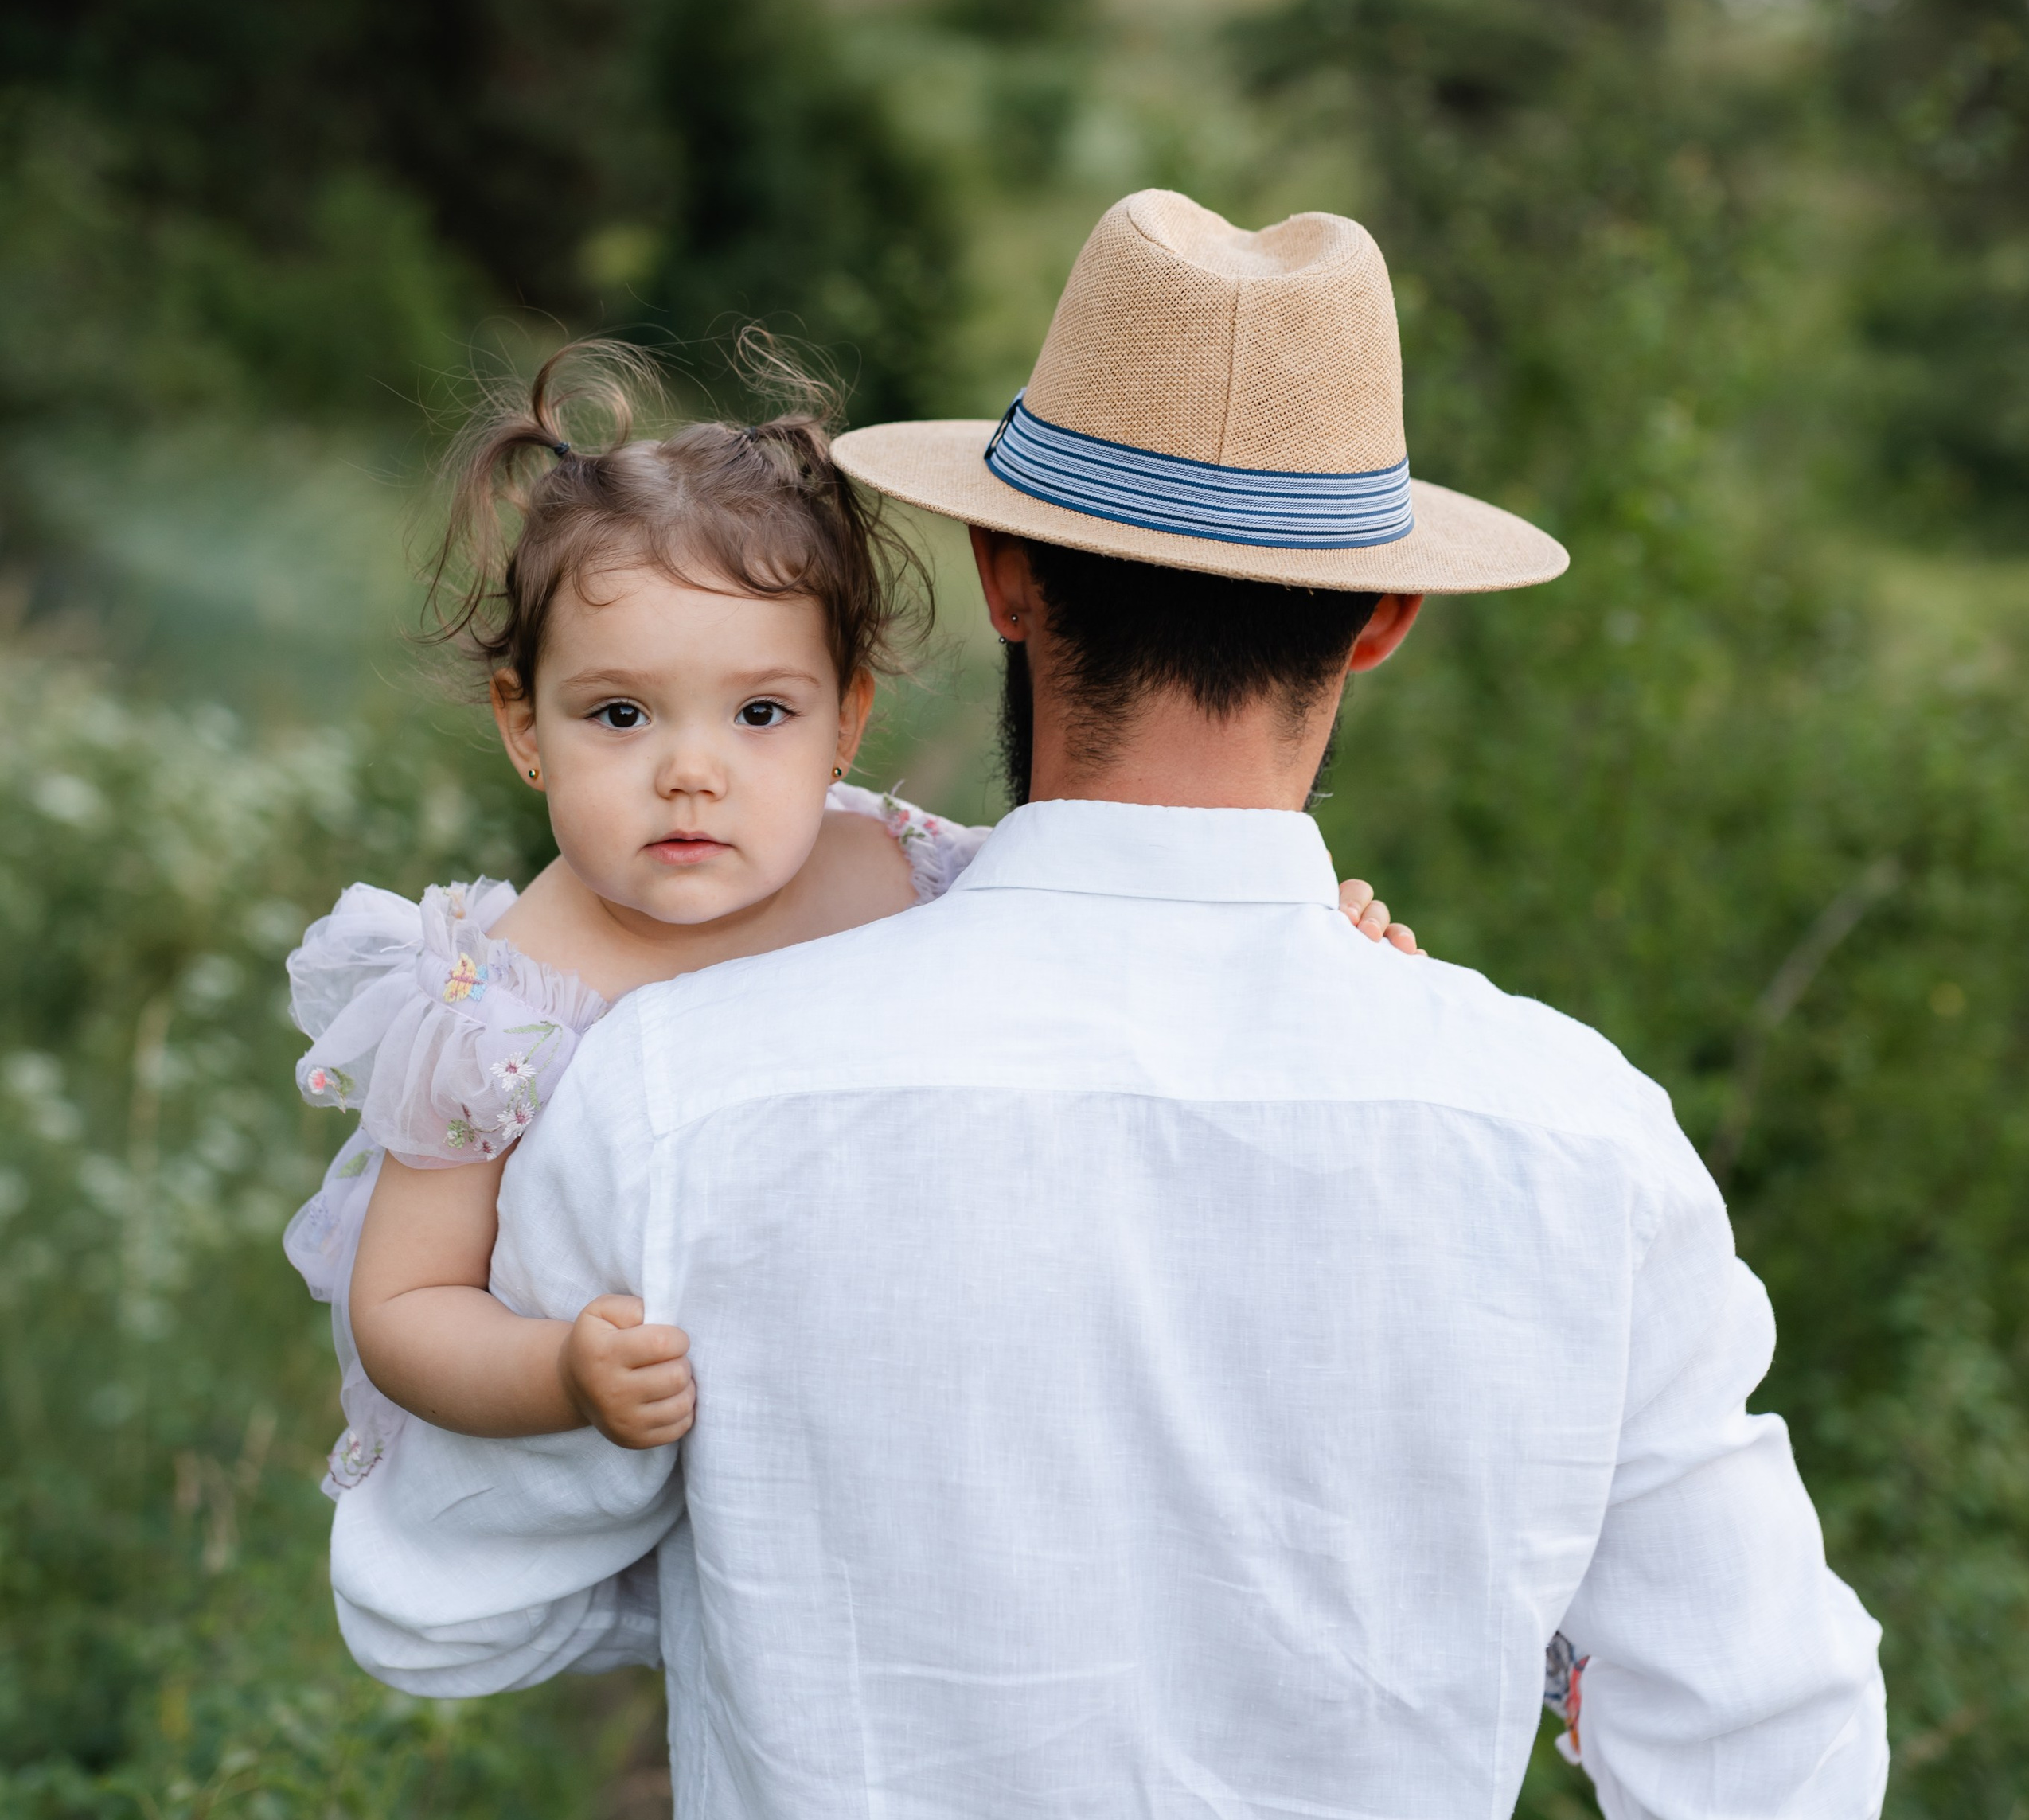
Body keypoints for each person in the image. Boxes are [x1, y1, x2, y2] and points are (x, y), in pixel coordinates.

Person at [330, 190, 1888, 1820]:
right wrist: (1498, 1608)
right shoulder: (1574, 1142)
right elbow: (1779, 1799)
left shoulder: (690, 1092)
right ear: (1378, 620)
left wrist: (753, 1534)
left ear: (1002, 579)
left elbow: (428, 1608)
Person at [283, 345, 1418, 1497]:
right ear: (526, 728)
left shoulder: (897, 864)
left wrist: (1302, 936)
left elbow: (1108, 929)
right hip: (626, 1453)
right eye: (619, 714)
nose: (690, 771)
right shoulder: (494, 1004)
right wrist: (561, 1374)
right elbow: (404, 1306)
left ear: (844, 723)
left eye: (761, 713)